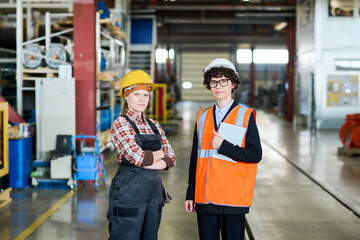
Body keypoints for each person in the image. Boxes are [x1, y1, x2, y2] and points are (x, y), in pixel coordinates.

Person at [185, 58, 262, 240]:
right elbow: (195, 159)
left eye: (223, 81)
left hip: (232, 199)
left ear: (233, 83)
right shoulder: (202, 116)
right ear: (209, 85)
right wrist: (191, 194)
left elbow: (255, 154)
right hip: (205, 198)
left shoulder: (245, 115)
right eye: (213, 82)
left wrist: (225, 146)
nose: (218, 86)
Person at [107, 70, 176, 240]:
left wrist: (154, 159)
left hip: (153, 193)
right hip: (129, 191)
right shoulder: (121, 123)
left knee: (150, 236)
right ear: (126, 95)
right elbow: (138, 158)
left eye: (145, 95)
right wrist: (160, 155)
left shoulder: (154, 124)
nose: (142, 99)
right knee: (125, 235)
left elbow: (171, 157)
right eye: (136, 94)